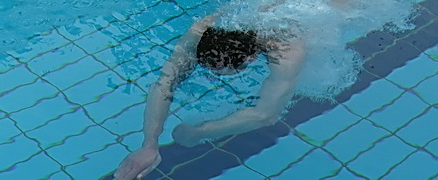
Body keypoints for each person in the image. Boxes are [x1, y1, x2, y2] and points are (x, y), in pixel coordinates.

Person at [113, 15, 307, 179]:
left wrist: (200, 132)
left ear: (251, 58)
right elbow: (164, 83)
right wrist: (150, 143)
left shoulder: (287, 52)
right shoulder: (202, 28)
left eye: (221, 72)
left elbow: (265, 115)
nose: (213, 76)